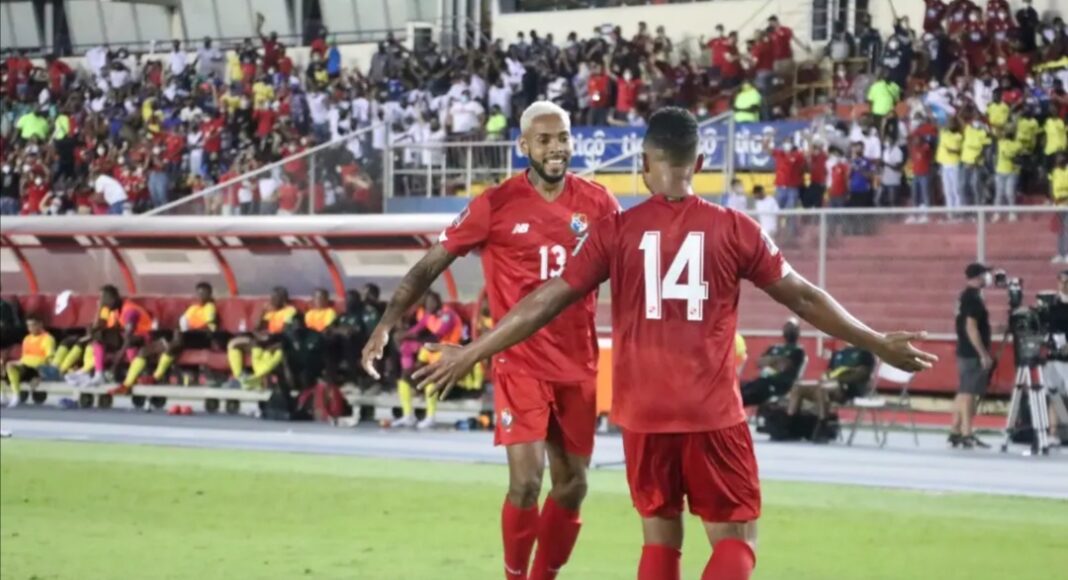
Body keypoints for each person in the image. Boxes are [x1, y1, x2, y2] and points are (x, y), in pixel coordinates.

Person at [412, 107, 935, 580]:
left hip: (642, 417)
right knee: (736, 540)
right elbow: (804, 297)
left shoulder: (614, 231)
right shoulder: (736, 229)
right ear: (700, 162)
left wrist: (473, 351)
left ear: (644, 164)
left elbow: (544, 301)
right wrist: (875, 341)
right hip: (711, 412)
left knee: (661, 540)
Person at [361, 101, 620, 580]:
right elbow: (429, 266)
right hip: (518, 363)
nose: (556, 148)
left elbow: (628, 274)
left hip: (577, 364)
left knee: (573, 486)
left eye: (563, 137)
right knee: (526, 482)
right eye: (544, 140)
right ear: (524, 146)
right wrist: (385, 323)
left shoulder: (600, 204)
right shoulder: (494, 205)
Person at [394, 291, 462, 430]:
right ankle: (408, 415)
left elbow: (437, 336)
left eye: (431, 302)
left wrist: (411, 338)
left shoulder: (447, 315)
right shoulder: (428, 316)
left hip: (450, 356)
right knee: (404, 380)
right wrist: (402, 335)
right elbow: (415, 330)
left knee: (431, 384)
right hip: (432, 356)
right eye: (427, 303)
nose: (428, 305)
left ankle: (431, 417)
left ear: (438, 302)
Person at [786, 345, 875, 441]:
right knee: (798, 388)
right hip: (829, 385)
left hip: (849, 390)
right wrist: (827, 377)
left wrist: (838, 380)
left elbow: (863, 374)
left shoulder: (865, 354)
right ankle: (791, 424)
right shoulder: (838, 353)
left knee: (822, 389)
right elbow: (829, 371)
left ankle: (823, 424)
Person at [950, 263, 993, 449]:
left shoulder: (964, 296)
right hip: (971, 352)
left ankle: (955, 430)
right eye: (985, 274)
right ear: (979, 276)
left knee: (963, 391)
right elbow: (971, 327)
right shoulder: (973, 298)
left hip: (964, 349)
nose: (988, 278)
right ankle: (967, 432)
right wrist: (983, 353)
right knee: (969, 393)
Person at [150, 282, 220, 385]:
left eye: (204, 293)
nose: (200, 296)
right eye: (198, 293)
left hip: (201, 337)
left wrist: (189, 329)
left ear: (209, 294)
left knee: (174, 343)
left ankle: (157, 375)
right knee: (166, 337)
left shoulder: (210, 307)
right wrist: (179, 328)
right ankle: (158, 373)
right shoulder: (194, 307)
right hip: (188, 335)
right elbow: (183, 321)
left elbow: (210, 326)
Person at [226, 287, 297, 390]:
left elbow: (285, 330)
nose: (271, 300)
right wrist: (263, 312)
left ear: (283, 299)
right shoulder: (270, 311)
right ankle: (239, 377)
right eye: (271, 297)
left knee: (261, 348)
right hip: (264, 339)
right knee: (233, 343)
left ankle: (256, 379)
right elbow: (257, 328)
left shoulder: (290, 311)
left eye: (275, 298)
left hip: (278, 339)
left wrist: (265, 337)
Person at [740, 319, 807, 407]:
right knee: (737, 388)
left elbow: (783, 367)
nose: (789, 330)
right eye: (788, 327)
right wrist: (777, 360)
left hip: (778, 386)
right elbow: (759, 363)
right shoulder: (774, 347)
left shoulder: (798, 351)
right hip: (761, 381)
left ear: (798, 332)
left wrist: (770, 360)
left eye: (793, 328)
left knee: (742, 397)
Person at [3, 316, 54, 408]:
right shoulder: (27, 339)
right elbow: (24, 357)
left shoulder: (47, 338)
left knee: (10, 365)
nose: (31, 328)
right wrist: (19, 363)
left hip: (36, 368)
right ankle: (3, 396)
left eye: (33, 325)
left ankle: (16, 396)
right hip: (24, 366)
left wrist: (44, 373)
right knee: (4, 366)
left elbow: (49, 358)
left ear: (40, 325)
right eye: (29, 326)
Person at [1043, 271, 1068, 445]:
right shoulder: (1051, 303)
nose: (1064, 285)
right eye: (1061, 281)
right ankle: (1054, 431)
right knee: (1054, 393)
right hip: (1053, 355)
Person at [1053, 153, 1068, 263]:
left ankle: (1067, 253)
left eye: (1061, 158)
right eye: (1057, 159)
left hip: (1067, 203)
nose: (1059, 160)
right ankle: (1060, 253)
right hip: (1058, 204)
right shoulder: (1055, 171)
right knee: (1060, 230)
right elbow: (1053, 187)